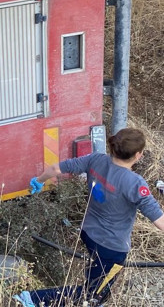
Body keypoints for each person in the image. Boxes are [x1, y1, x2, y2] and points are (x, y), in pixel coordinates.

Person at [12, 128, 164, 307]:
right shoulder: (135, 183)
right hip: (111, 249)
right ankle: (31, 299)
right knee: (93, 294)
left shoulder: (96, 159)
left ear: (113, 148)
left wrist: (39, 180)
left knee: (99, 286)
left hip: (88, 233)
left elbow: (56, 168)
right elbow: (158, 218)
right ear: (138, 155)